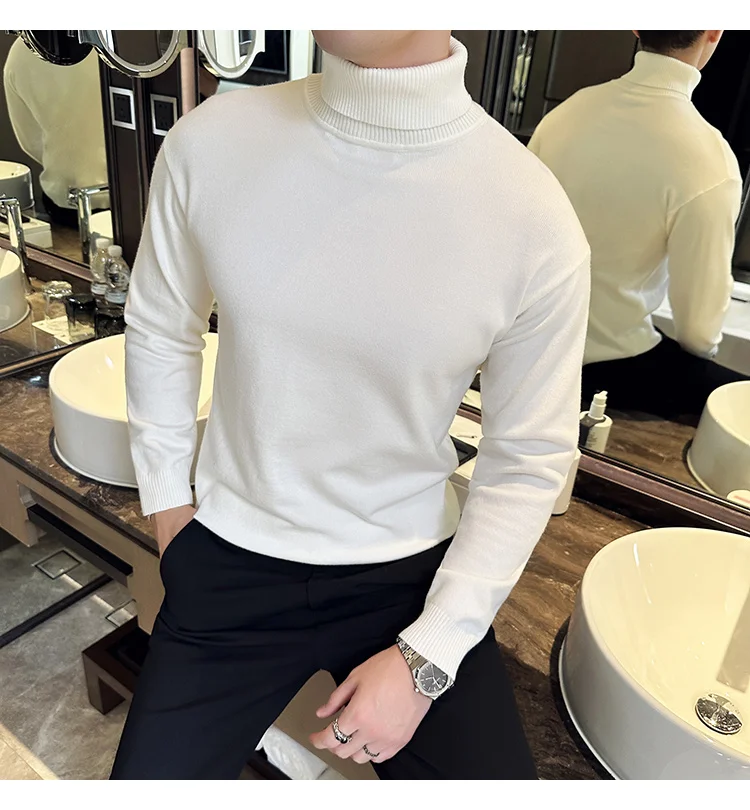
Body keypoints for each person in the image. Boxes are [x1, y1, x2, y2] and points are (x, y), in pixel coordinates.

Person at [112, 30, 590, 780]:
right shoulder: (211, 142)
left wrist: (429, 656)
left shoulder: (531, 215)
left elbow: (528, 455)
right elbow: (161, 325)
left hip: (409, 577)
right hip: (228, 557)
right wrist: (169, 504)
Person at [528, 30, 746, 420]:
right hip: (607, 369)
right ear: (715, 30)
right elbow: (698, 333)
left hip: (529, 345)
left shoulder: (565, 115)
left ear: (635, 24)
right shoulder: (712, 162)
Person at [3, 36, 109, 229]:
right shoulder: (122, 41)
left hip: (64, 201)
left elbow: (30, 141)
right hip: (134, 197)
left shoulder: (20, 51)